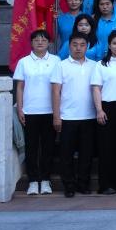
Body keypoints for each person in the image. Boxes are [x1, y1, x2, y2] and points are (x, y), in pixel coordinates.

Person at [13, 30, 60, 195]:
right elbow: (20, 87)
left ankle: (46, 180)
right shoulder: (24, 62)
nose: (40, 42)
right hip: (30, 111)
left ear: (49, 43)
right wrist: (20, 108)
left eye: (44, 39)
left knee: (48, 147)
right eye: (36, 40)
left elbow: (59, 87)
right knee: (31, 147)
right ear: (31, 43)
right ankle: (33, 181)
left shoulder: (56, 61)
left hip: (50, 110)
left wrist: (58, 111)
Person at [51, 33, 98, 198]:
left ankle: (83, 184)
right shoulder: (61, 66)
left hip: (89, 117)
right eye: (75, 45)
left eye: (82, 45)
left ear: (87, 47)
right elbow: (55, 92)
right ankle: (69, 185)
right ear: (69, 46)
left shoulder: (95, 66)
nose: (78, 48)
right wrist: (56, 116)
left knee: (87, 154)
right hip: (67, 117)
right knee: (66, 154)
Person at [91, 32, 116, 194]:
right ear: (109, 45)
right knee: (106, 147)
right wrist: (99, 110)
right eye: (114, 43)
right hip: (107, 108)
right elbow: (96, 88)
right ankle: (106, 184)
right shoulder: (101, 65)